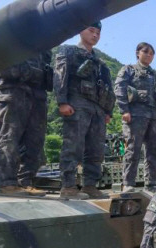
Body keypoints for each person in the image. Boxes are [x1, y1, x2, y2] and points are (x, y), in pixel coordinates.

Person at [54, 21, 115, 199]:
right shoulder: (69, 51)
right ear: (81, 30)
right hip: (77, 103)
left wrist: (108, 111)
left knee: (96, 150)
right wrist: (62, 102)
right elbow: (60, 76)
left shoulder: (101, 63)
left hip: (97, 109)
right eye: (91, 30)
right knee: (73, 146)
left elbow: (107, 88)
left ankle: (90, 186)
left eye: (98, 32)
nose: (95, 35)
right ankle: (68, 187)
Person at [0, 51, 52, 197]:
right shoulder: (12, 33)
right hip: (12, 89)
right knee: (9, 137)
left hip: (38, 94)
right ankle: (7, 183)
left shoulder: (44, 45)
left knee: (35, 140)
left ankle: (26, 182)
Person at [114, 42, 156, 193]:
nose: (149, 55)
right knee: (133, 149)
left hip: (155, 118)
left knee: (154, 151)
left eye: (152, 53)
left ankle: (151, 183)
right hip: (135, 116)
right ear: (137, 53)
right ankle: (128, 183)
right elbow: (120, 88)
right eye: (145, 52)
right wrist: (124, 110)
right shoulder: (129, 70)